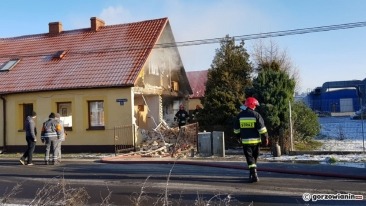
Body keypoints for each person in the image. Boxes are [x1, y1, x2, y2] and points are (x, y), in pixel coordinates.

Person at [233, 97, 269, 183]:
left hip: (246, 142)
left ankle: (253, 174)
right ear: (252, 105)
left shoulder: (240, 116)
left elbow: (236, 130)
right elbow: (262, 129)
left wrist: (238, 137)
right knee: (254, 158)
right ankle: (253, 174)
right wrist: (266, 138)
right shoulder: (256, 115)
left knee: (250, 159)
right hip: (256, 142)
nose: (256, 107)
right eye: (255, 105)